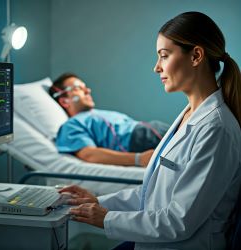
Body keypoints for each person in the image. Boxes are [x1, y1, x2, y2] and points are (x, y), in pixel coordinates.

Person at [57, 11, 241, 250]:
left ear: (196, 56)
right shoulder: (189, 115)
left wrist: (105, 218)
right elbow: (153, 194)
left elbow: (178, 221)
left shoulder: (216, 129)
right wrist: (99, 202)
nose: (156, 68)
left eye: (164, 56)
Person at [49, 73, 169, 167]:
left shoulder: (94, 114)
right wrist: (139, 158)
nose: (88, 90)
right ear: (64, 101)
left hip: (152, 129)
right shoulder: (71, 125)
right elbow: (89, 154)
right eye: (78, 88)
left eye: (85, 87)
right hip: (141, 138)